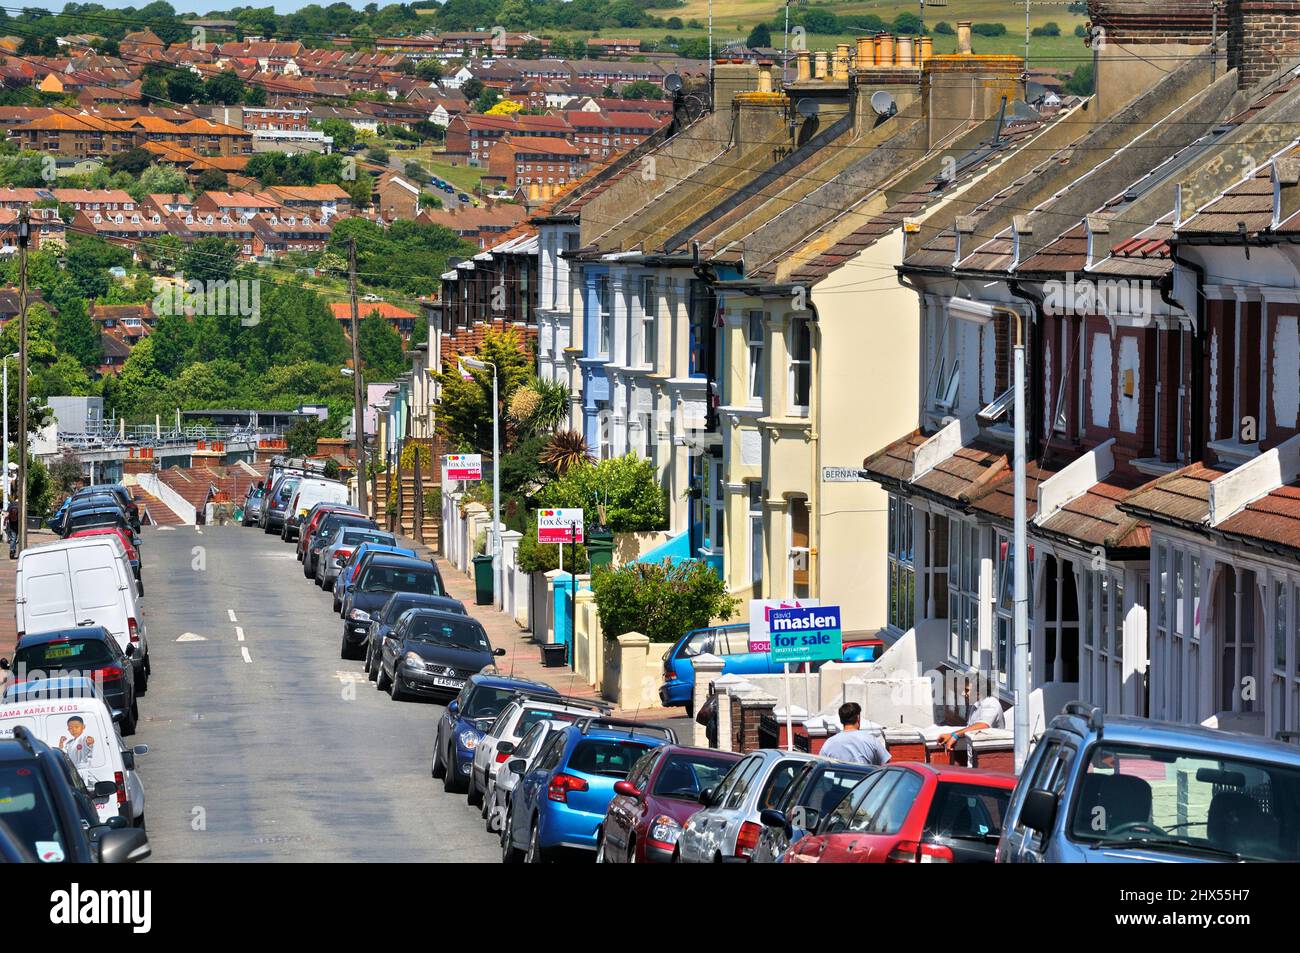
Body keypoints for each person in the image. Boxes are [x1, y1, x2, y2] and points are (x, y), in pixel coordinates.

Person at [818, 702, 890, 766]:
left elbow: (820, 765)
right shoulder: (871, 740)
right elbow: (887, 765)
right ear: (858, 718)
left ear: (841, 720)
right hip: (867, 780)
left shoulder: (829, 743)